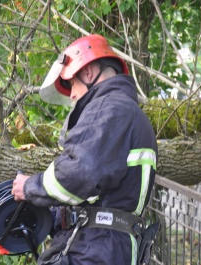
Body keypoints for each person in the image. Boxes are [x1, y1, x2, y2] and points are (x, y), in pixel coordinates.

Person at [12, 34, 158, 265]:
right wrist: (52, 217)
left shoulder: (107, 108)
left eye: (71, 84)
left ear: (88, 73)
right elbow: (100, 194)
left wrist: (30, 187)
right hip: (109, 245)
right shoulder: (128, 113)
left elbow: (78, 173)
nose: (71, 95)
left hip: (95, 250)